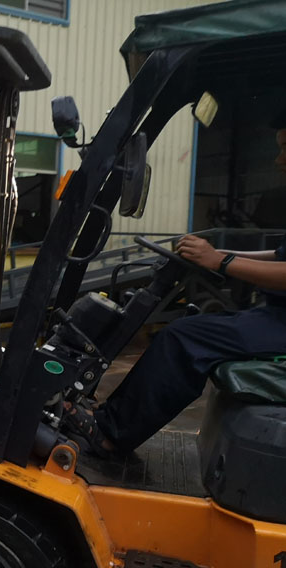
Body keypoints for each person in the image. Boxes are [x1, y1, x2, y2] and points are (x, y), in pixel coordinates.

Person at [65, 115, 286, 456]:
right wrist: (217, 253)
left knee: (183, 339)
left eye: (285, 149)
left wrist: (220, 261)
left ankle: (110, 434)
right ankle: (109, 417)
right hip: (274, 315)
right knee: (188, 328)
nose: (278, 159)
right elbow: (278, 256)